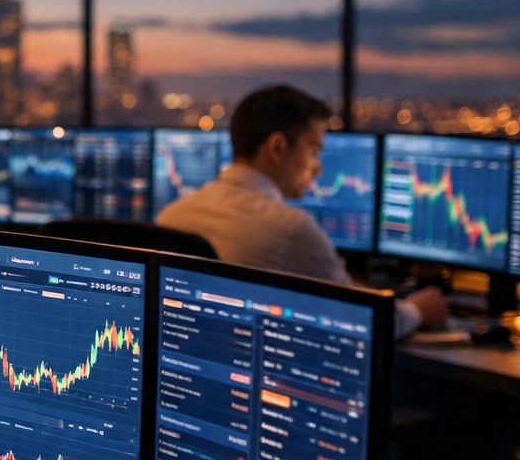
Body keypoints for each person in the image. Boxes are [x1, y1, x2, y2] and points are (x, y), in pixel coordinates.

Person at [157, 84, 448, 338]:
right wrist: (417, 310)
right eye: (313, 150)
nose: (319, 167)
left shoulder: (171, 217)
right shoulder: (292, 230)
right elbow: (363, 323)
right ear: (278, 147)